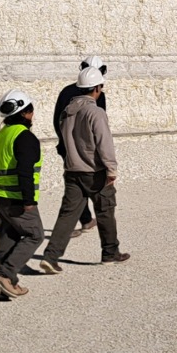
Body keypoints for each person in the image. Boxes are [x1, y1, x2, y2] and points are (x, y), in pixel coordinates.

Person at [38, 57, 130, 271]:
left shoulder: (68, 112)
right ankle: (110, 252)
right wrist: (111, 168)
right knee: (106, 211)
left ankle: (51, 257)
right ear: (97, 88)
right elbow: (104, 142)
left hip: (72, 169)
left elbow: (62, 135)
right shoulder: (95, 112)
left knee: (67, 215)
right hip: (94, 171)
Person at [0, 89, 44, 299]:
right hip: (16, 198)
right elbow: (25, 171)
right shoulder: (25, 137)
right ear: (25, 113)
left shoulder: (0, 136)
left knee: (8, 238)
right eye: (31, 111)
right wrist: (28, 201)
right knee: (35, 234)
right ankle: (5, 274)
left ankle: (7, 285)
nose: (33, 116)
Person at [53, 57, 109, 237]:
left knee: (74, 183)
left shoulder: (65, 91)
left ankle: (85, 220)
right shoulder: (98, 95)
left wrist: (65, 142)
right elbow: (99, 126)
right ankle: (109, 244)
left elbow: (57, 121)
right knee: (97, 188)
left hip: (67, 148)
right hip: (90, 152)